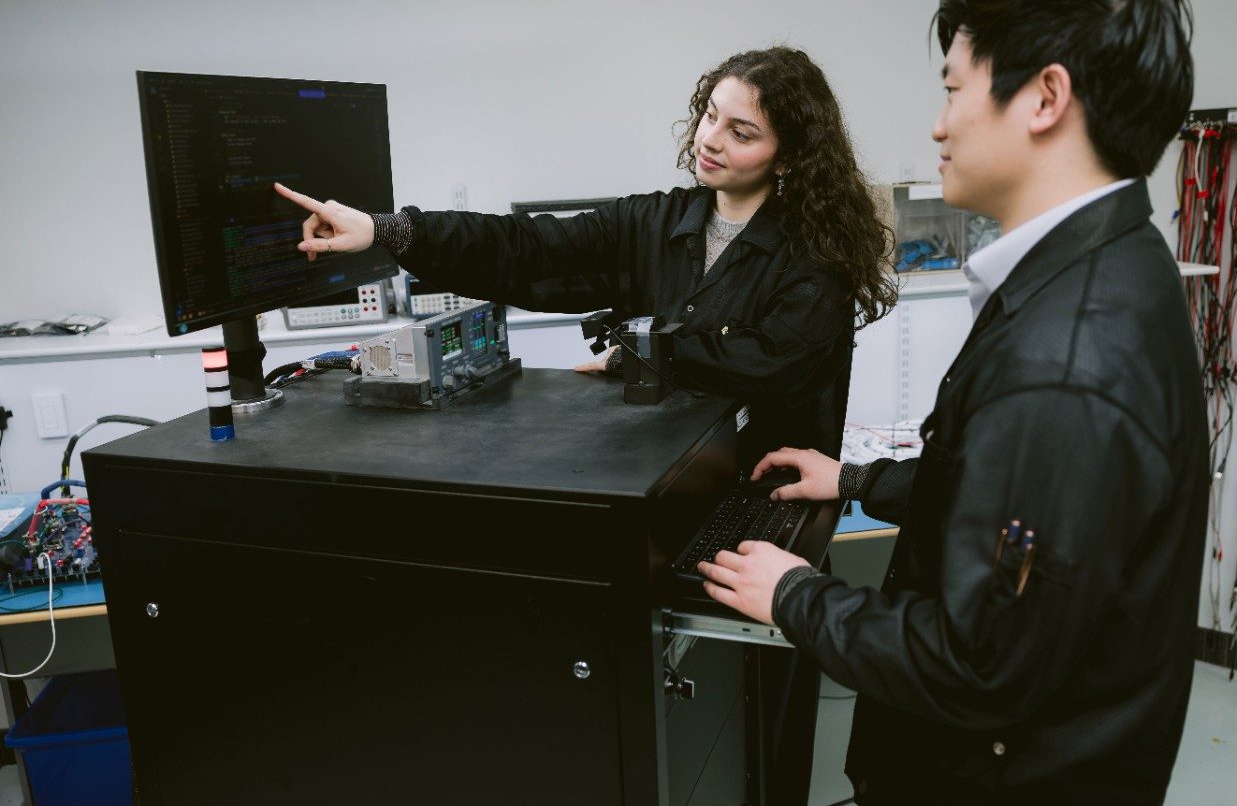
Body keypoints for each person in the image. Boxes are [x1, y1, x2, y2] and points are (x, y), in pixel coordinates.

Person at [276, 46, 897, 803]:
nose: (711, 139)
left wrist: (647, 347)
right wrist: (389, 232)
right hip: (671, 518)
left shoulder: (815, 252)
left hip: (768, 522)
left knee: (763, 751)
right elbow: (529, 249)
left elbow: (775, 359)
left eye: (742, 132)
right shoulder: (660, 222)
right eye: (710, 115)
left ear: (790, 154)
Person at [697, 0, 1209, 802]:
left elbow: (978, 663)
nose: (938, 126)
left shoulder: (1066, 359)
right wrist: (856, 478)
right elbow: (1003, 496)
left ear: (1045, 98)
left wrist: (794, 593)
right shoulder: (1110, 265)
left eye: (953, 89)